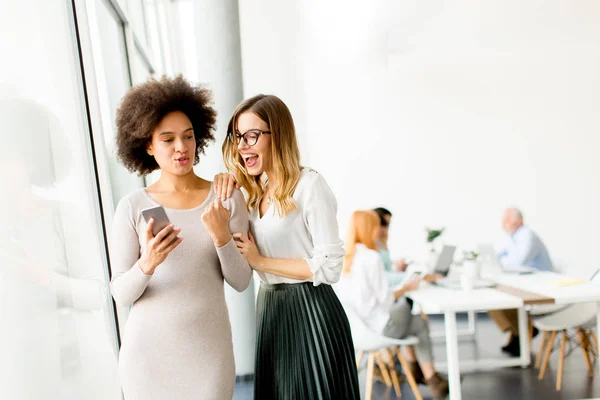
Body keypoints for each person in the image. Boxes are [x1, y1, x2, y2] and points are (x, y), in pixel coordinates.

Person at [109, 76, 252, 399]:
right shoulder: (133, 206)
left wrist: (222, 238)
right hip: (148, 358)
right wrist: (148, 263)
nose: (181, 147)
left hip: (209, 354)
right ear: (148, 145)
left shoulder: (226, 197)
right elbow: (121, 292)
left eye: (188, 136)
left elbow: (242, 281)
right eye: (168, 139)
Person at [215, 94, 360, 399]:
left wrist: (261, 262)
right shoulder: (253, 192)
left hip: (311, 312)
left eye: (252, 135)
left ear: (277, 135)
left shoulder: (310, 186)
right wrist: (229, 185)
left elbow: (331, 266)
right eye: (238, 136)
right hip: (270, 309)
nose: (242, 145)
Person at [336, 210, 449, 399]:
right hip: (380, 327)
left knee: (413, 319)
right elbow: (385, 300)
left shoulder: (345, 259)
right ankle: (431, 378)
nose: (380, 231)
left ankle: (424, 374)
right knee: (417, 319)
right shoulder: (372, 258)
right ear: (370, 229)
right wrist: (406, 288)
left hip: (358, 330)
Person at [489, 207, 552, 356]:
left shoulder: (527, 235)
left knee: (500, 299)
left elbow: (518, 261)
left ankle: (522, 333)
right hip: (524, 283)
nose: (503, 224)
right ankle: (520, 332)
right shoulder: (513, 238)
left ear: (518, 221)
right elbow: (498, 257)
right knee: (493, 299)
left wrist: (499, 262)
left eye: (506, 220)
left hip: (541, 286)